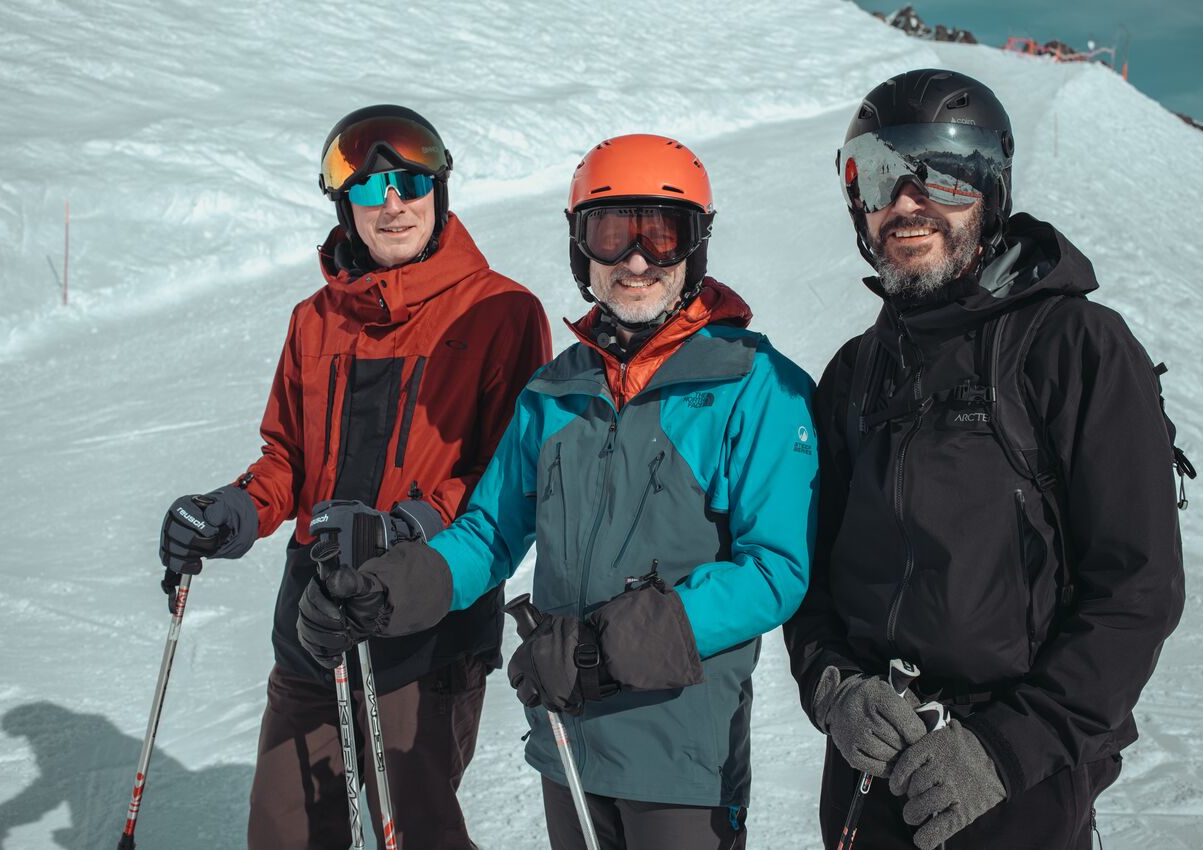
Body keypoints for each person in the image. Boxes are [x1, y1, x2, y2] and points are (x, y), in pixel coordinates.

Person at [295, 134, 820, 849]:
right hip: (566, 744)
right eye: (611, 235)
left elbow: (775, 570)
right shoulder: (553, 390)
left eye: (663, 235)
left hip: (684, 758)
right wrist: (387, 592)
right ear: (581, 249)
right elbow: (489, 533)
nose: (637, 260)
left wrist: (608, 646)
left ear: (696, 247)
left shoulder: (755, 386)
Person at [783, 69, 1186, 850]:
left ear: (990, 191)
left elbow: (1137, 589)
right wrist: (836, 688)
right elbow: (810, 574)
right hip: (870, 769)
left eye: (941, 175)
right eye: (879, 177)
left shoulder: (1074, 347)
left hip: (1015, 782)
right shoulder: (856, 373)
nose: (907, 203)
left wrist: (1006, 750)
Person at [157, 104, 551, 849]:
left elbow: (510, 476)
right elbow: (287, 457)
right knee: (286, 833)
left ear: (438, 190)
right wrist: (235, 508)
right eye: (369, 189)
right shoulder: (315, 319)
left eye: (410, 183)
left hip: (423, 620)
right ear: (344, 205)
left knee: (418, 832)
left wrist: (408, 526)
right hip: (313, 614)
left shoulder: (499, 312)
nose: (392, 204)